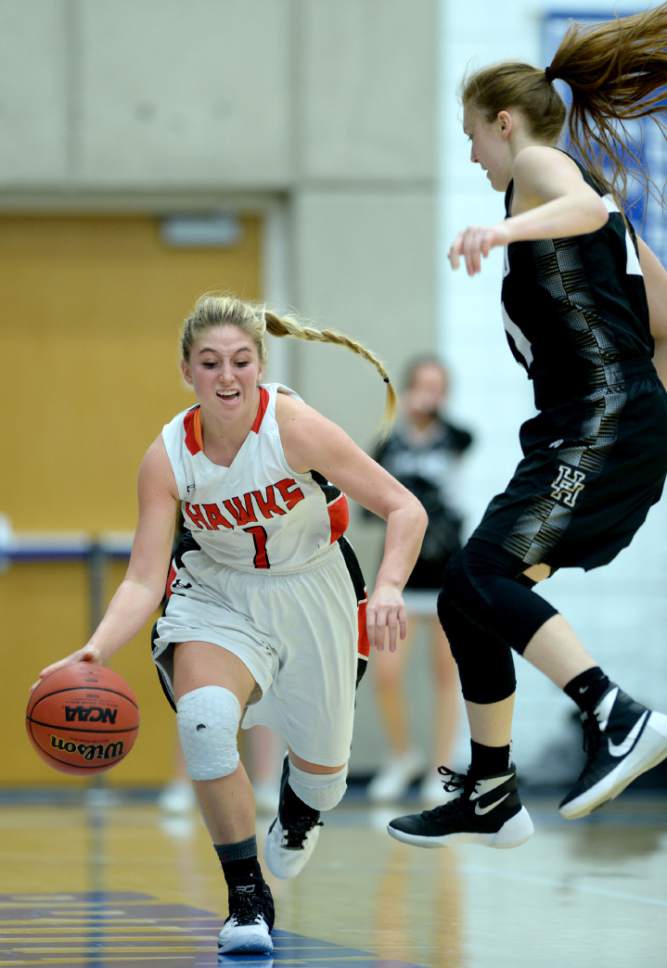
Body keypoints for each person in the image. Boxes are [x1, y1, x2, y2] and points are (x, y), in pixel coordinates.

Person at [33, 294, 427, 956]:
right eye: (210, 362)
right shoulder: (167, 457)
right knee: (206, 725)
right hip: (216, 596)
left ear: (260, 365)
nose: (227, 376)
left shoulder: (294, 427)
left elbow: (403, 508)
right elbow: (141, 577)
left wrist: (387, 586)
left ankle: (303, 807)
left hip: (314, 591)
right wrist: (95, 650)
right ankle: (246, 894)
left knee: (326, 775)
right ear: (187, 371)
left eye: (241, 361)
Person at [388, 6, 667, 850]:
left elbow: (579, 206)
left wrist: (503, 228)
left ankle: (615, 715)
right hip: (597, 427)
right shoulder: (598, 216)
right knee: (472, 601)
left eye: (473, 135)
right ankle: (491, 790)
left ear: (503, 123)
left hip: (599, 425)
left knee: (480, 574)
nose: (472, 153)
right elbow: (662, 318)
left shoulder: (546, 173)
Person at [365, 356, 473, 803]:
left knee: (446, 675)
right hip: (401, 569)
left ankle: (440, 767)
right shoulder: (389, 441)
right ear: (409, 390)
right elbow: (372, 503)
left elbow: (458, 447)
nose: (429, 395)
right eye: (422, 386)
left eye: (437, 388)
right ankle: (401, 753)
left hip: (447, 566)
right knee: (385, 672)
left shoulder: (458, 438)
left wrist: (433, 414)